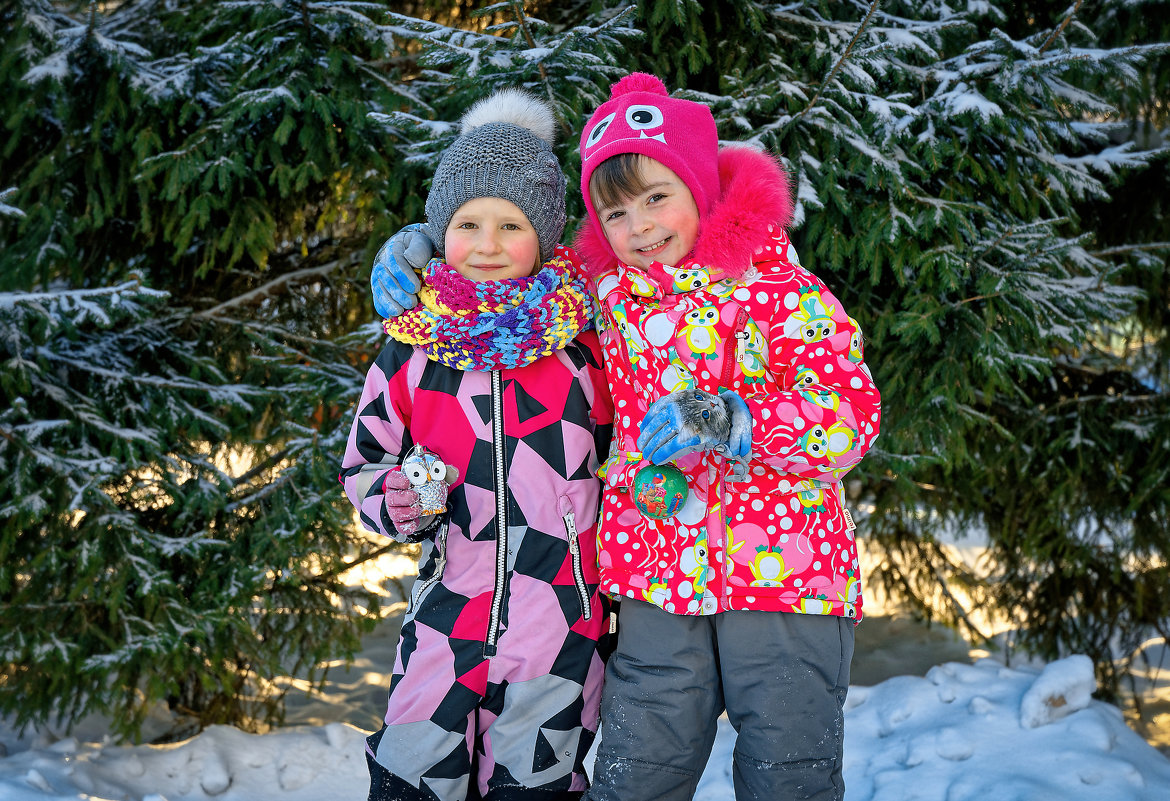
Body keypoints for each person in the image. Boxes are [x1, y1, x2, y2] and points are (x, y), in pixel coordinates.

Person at [371, 73, 882, 801]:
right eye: (614, 212)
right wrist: (423, 242)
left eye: (655, 197)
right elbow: (511, 259)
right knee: (637, 774)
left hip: (787, 575)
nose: (639, 227)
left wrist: (735, 420)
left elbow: (851, 411)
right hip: (654, 574)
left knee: (787, 773)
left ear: (700, 187)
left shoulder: (779, 287)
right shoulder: (602, 289)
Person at [340, 88, 613, 801]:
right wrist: (392, 500)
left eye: (510, 224)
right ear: (436, 232)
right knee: (413, 776)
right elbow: (364, 461)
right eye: (466, 223)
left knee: (536, 788)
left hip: (559, 626)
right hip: (444, 618)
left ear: (546, 237)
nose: (487, 244)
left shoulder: (587, 350)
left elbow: (631, 462)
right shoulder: (411, 348)